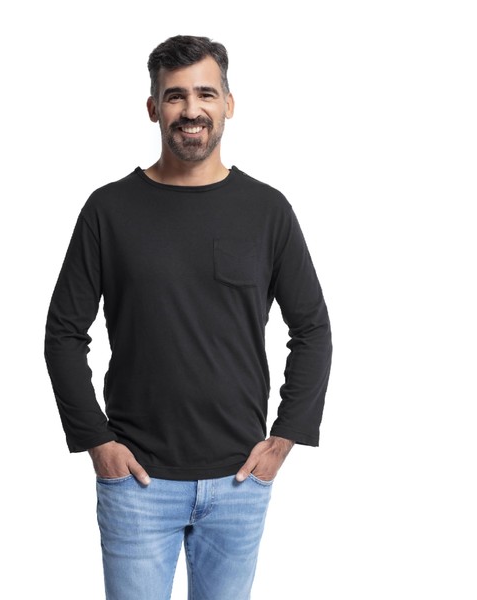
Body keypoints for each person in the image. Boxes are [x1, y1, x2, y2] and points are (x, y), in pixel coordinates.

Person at [44, 35, 332, 600]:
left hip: (240, 480)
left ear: (229, 103)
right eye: (175, 96)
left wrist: (286, 437)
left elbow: (313, 330)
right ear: (154, 107)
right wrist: (96, 441)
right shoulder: (108, 210)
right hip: (136, 482)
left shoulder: (267, 210)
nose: (191, 109)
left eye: (206, 93)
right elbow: (63, 334)